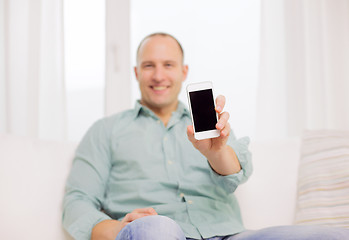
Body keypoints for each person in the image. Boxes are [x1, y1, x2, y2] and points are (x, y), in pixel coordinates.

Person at [62, 33, 349, 240]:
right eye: (149, 66)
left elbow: (238, 171)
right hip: (156, 233)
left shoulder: (208, 123)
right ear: (136, 72)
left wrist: (216, 153)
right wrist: (120, 229)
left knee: (333, 235)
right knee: (158, 228)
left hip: (228, 234)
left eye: (168, 65)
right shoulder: (105, 131)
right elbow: (77, 203)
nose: (158, 75)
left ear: (184, 71)